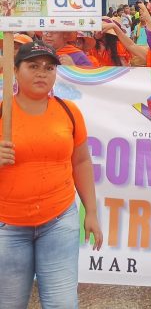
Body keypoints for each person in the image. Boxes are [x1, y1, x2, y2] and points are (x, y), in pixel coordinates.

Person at [0, 41, 102, 308]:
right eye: (33, 66)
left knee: (62, 303)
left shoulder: (68, 111)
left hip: (59, 222)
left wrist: (91, 211)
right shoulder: (2, 114)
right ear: (14, 70)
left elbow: (81, 161)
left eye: (48, 67)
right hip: (7, 227)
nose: (41, 73)